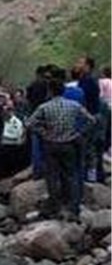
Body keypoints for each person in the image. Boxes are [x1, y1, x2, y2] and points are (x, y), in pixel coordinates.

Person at [27, 78, 95, 220]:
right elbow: (91, 120)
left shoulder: (44, 107)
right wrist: (79, 133)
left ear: (50, 91)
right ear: (63, 91)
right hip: (69, 144)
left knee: (52, 177)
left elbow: (30, 124)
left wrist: (44, 132)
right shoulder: (74, 105)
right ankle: (73, 209)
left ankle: (55, 208)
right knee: (71, 176)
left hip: (51, 144)